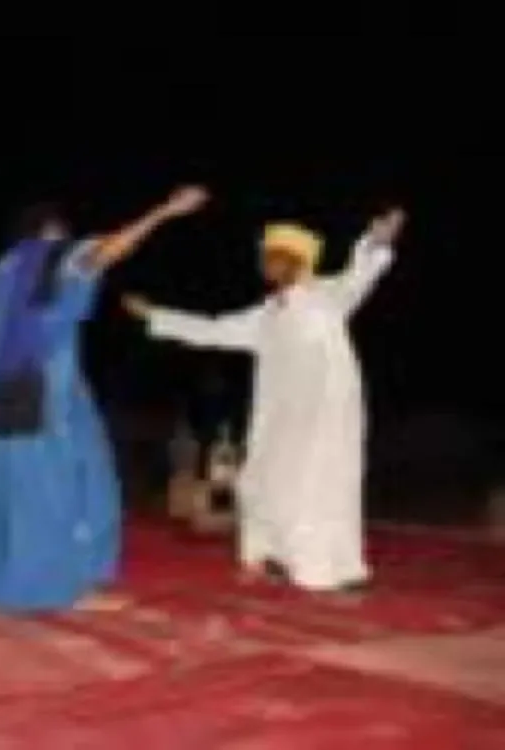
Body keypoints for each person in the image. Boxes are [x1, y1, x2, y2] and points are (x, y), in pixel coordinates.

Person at [0, 185, 209, 612]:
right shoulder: (44, 260)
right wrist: (164, 211)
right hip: (32, 402)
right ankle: (58, 588)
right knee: (70, 486)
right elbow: (103, 252)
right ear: (49, 234)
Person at [122, 207, 405, 596]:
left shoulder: (326, 295)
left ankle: (332, 569)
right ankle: (273, 555)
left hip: (324, 418)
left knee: (319, 487)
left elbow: (362, 273)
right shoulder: (266, 315)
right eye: (265, 257)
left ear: (294, 260)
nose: (264, 265)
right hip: (279, 418)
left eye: (271, 257)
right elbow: (213, 329)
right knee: (262, 480)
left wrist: (376, 240)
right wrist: (155, 315)